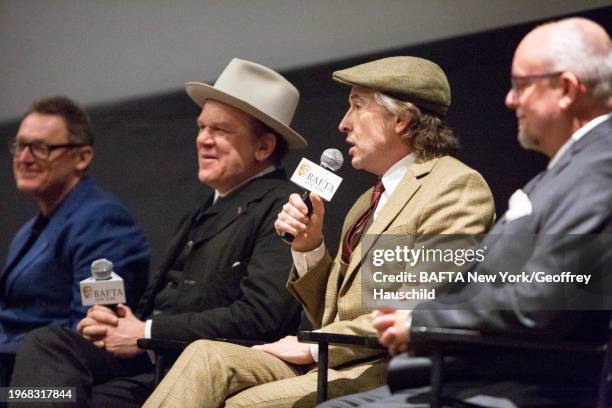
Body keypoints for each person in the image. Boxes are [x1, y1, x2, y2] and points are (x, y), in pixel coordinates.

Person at [143, 56, 496, 408]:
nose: (343, 124)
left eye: (357, 106)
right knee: (205, 355)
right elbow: (331, 314)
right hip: (330, 360)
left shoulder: (455, 187)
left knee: (243, 404)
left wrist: (312, 344)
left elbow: (415, 306)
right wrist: (309, 248)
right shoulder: (365, 202)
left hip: (386, 368)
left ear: (401, 120)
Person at [322, 17, 612, 408]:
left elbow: (546, 298)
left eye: (522, 85)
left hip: (521, 384)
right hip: (471, 372)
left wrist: (422, 319)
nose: (510, 100)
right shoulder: (566, 171)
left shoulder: (599, 167)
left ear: (566, 89)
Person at [9, 58, 307, 407]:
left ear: (264, 147)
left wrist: (147, 332)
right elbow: (164, 303)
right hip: (153, 360)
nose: (202, 140)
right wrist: (119, 322)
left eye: (220, 131)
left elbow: (260, 316)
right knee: (47, 345)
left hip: (197, 369)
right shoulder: (204, 209)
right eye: (201, 128)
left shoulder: (285, 207)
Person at [1, 96, 149, 377]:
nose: (24, 158)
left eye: (41, 148)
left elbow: (89, 331)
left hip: (48, 380)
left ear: (82, 157)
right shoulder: (27, 231)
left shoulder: (103, 221)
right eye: (20, 146)